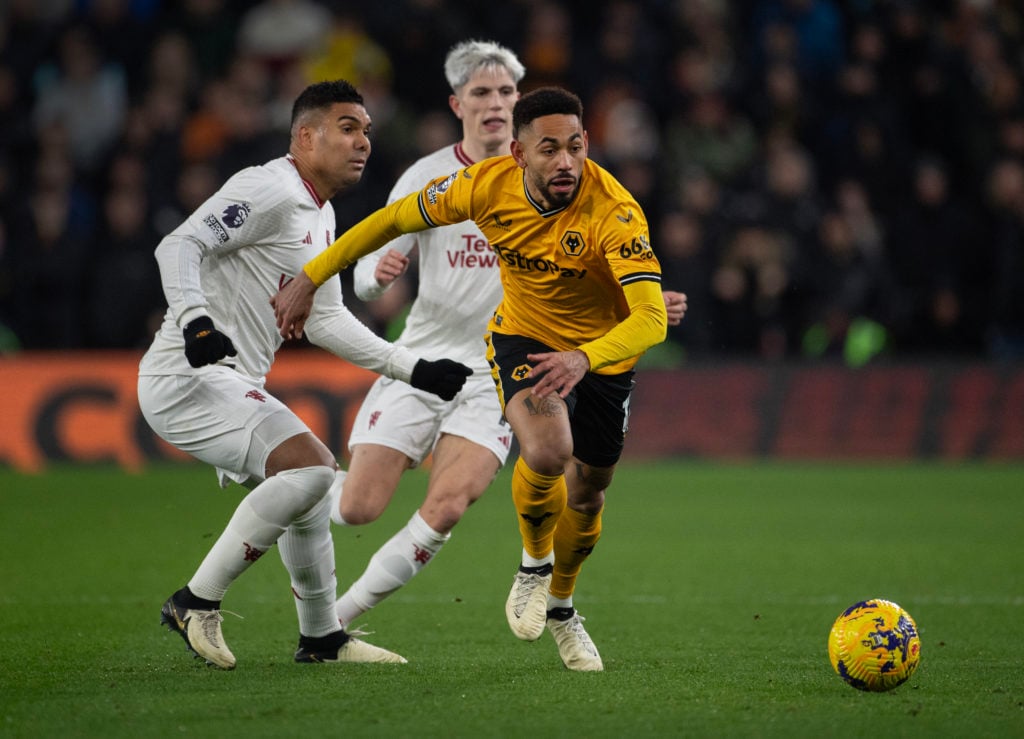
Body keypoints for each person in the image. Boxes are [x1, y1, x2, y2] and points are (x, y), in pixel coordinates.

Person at [272, 86, 670, 672]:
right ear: (517, 153)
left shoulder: (615, 210)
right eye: (550, 149)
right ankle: (534, 567)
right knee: (548, 449)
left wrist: (585, 358)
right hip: (524, 340)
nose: (566, 162)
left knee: (589, 494)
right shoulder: (483, 185)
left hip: (602, 356)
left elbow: (652, 318)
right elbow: (390, 221)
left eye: (577, 147)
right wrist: (311, 276)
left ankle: (561, 607)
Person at [137, 79, 472, 670]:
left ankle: (321, 640)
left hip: (229, 380)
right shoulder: (266, 188)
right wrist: (194, 322)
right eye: (348, 128)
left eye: (366, 130)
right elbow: (178, 245)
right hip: (187, 376)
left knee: (309, 496)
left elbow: (327, 321)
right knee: (314, 467)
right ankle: (195, 601)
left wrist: (413, 367)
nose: (363, 141)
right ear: (305, 137)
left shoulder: (323, 214)